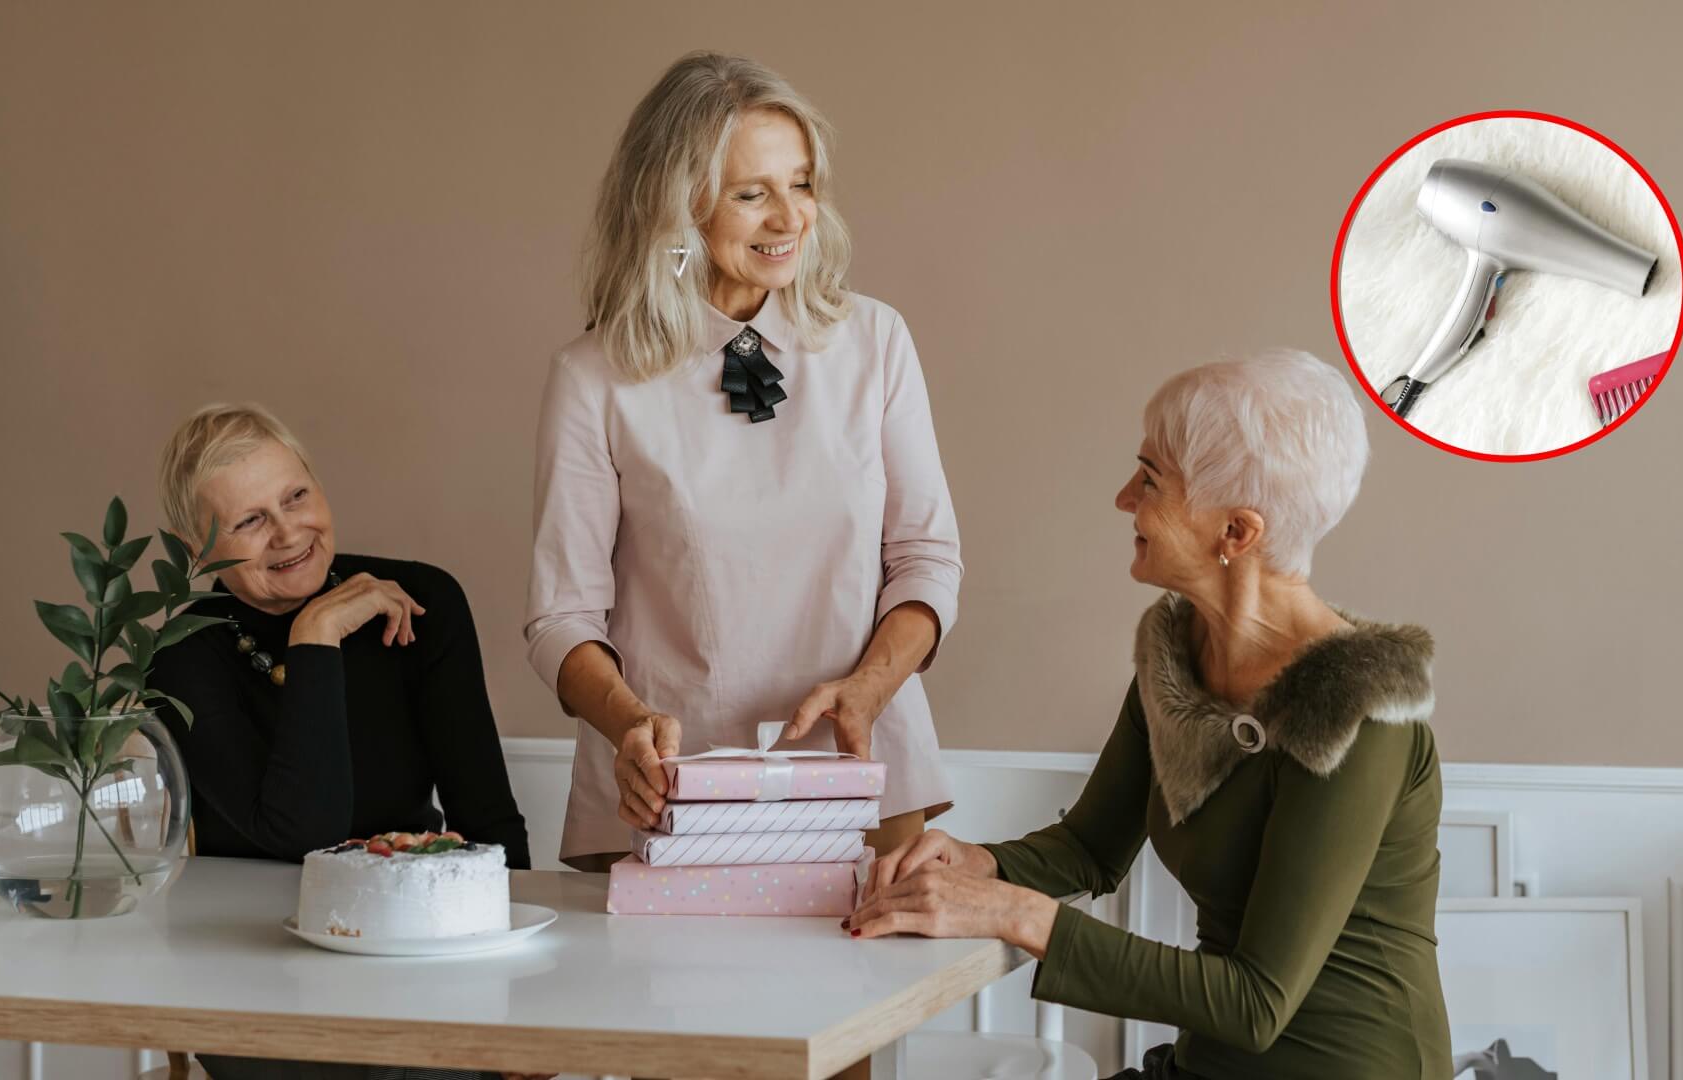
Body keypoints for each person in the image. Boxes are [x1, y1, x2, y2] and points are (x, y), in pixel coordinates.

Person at [847, 351, 1452, 1079]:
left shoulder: (1356, 712)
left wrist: (1014, 913)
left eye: (1151, 479)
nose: (1123, 498)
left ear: (1236, 533)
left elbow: (1256, 1003)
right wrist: (981, 863)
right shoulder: (1178, 661)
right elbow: (1090, 848)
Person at [526, 52, 962, 871]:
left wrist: (870, 688)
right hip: (668, 792)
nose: (790, 217)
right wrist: (631, 727)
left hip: (857, 777)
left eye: (802, 184)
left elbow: (926, 559)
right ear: (675, 205)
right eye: (751, 193)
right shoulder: (593, 378)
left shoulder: (875, 341)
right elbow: (562, 617)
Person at [150, 403, 544, 1080]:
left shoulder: (422, 600)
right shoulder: (182, 657)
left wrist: (521, 1004)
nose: (288, 533)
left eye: (295, 496)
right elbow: (304, 832)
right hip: (247, 972)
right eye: (250, 521)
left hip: (417, 951)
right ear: (198, 550)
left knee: (428, 1065)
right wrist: (316, 636)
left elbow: (488, 818)